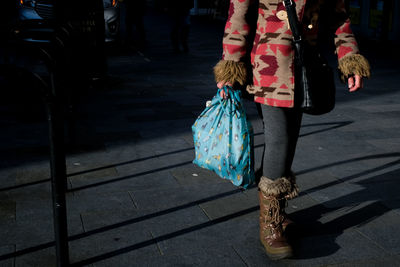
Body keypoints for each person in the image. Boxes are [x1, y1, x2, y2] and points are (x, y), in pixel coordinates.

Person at [213, 0, 370, 260]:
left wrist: (350, 58)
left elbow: (339, 18)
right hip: (267, 67)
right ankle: (270, 224)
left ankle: (279, 211)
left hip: (304, 68)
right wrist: (231, 62)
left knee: (291, 138)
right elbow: (238, 15)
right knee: (279, 140)